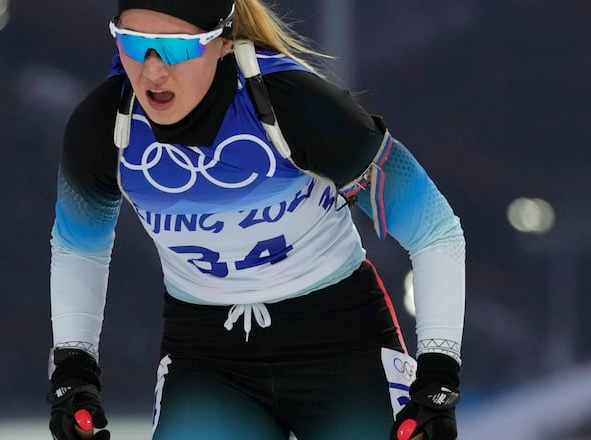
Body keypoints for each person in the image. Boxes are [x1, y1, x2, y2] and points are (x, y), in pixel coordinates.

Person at [46, 0, 465, 439]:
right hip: (210, 363)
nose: (152, 71)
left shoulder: (294, 106)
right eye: (133, 44)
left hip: (342, 347)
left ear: (223, 41)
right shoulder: (102, 126)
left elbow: (434, 230)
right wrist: (74, 369)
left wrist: (438, 376)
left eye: (176, 49)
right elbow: (79, 247)